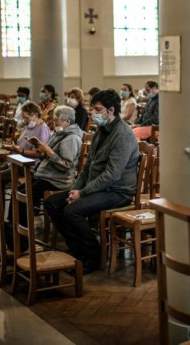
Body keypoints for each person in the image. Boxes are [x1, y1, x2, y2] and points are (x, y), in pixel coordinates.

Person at [45, 89, 140, 274]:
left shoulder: (123, 135)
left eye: (97, 109)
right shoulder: (100, 132)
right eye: (93, 109)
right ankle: (78, 248)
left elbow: (112, 175)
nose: (93, 113)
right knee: (53, 203)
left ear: (111, 110)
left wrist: (82, 193)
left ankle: (93, 256)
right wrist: (75, 189)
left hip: (117, 191)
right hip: (97, 187)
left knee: (73, 211)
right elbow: (88, 166)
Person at [9, 106, 83, 252]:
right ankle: (14, 236)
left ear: (67, 122)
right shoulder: (59, 133)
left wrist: (49, 152)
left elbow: (66, 166)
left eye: (56, 121)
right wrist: (41, 150)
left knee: (23, 197)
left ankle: (22, 242)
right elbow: (47, 156)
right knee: (17, 193)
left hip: (57, 180)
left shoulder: (72, 138)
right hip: (46, 175)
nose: (53, 124)